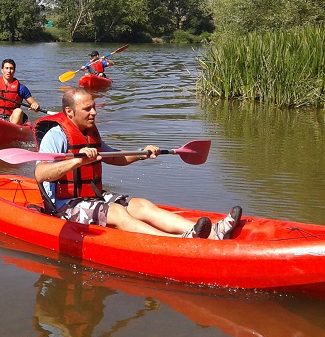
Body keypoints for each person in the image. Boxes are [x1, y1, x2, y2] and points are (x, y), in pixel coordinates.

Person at [33, 87, 242, 239]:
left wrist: (142, 153)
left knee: (142, 205)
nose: (94, 112)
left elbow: (115, 157)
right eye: (87, 109)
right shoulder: (56, 136)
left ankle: (210, 232)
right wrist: (77, 161)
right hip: (64, 205)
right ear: (70, 112)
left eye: (94, 107)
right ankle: (176, 242)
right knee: (116, 212)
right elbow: (41, 174)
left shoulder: (89, 132)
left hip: (92, 196)